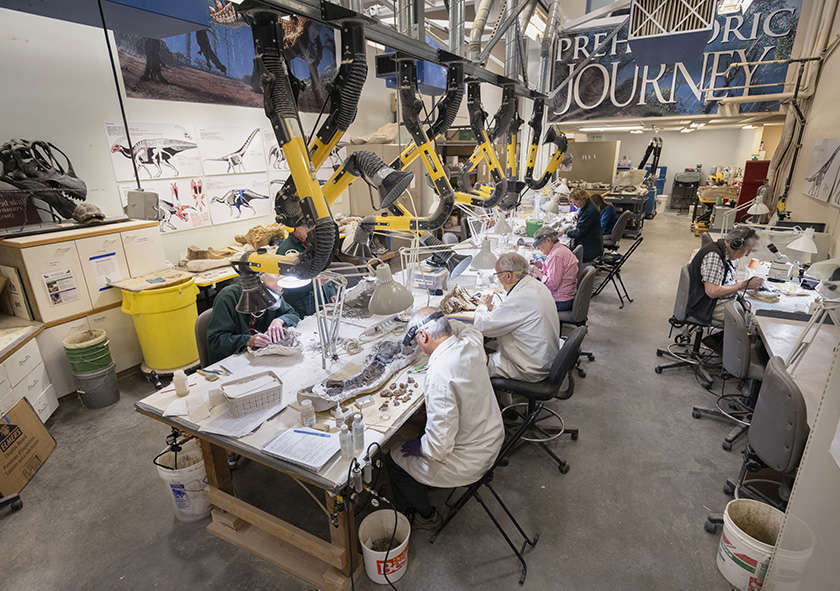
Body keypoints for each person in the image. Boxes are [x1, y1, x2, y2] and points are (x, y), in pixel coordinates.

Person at [389, 307, 504, 528]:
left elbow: (438, 448)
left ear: (423, 336)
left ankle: (426, 516)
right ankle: (426, 487)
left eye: (418, 342)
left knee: (393, 457)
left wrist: (420, 446)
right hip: (494, 437)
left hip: (470, 461)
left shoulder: (439, 372)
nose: (419, 348)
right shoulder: (471, 344)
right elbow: (470, 329)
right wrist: (443, 320)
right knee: (426, 428)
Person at [473, 252, 560, 382]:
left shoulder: (521, 298)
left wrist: (482, 306)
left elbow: (482, 327)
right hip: (544, 358)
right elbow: (517, 313)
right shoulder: (535, 286)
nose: (498, 280)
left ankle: (496, 400)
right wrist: (495, 310)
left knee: (473, 365)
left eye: (498, 275)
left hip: (529, 368)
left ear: (508, 276)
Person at [206, 274, 301, 365]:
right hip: (232, 362)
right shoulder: (229, 297)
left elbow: (293, 314)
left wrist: (280, 320)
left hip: (260, 359)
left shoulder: (273, 290)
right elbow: (215, 341)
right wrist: (248, 341)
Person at [687, 226, 762, 328]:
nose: (747, 254)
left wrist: (745, 287)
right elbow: (712, 291)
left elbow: (724, 281)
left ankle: (725, 342)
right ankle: (732, 343)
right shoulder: (714, 255)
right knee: (750, 321)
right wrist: (743, 285)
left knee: (749, 308)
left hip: (711, 301)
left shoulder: (724, 254)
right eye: (747, 250)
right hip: (704, 305)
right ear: (736, 245)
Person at [274, 224, 334, 317]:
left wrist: (331, 293)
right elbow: (287, 287)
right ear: (293, 229)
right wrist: (312, 283)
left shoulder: (313, 243)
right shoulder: (285, 251)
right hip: (305, 305)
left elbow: (323, 269)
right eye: (305, 227)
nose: (309, 229)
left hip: (323, 298)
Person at [532, 227, 578, 311]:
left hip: (561, 301)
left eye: (539, 245)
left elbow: (552, 285)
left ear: (548, 240)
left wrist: (537, 272)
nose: (539, 248)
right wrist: (541, 266)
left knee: (529, 303)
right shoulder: (560, 249)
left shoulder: (556, 256)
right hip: (566, 295)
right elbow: (557, 271)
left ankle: (546, 323)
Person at [566, 188, 604, 262]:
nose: (574, 205)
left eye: (575, 203)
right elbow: (583, 214)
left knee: (565, 254)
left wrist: (566, 232)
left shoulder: (589, 211)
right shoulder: (588, 204)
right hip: (593, 241)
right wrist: (579, 216)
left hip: (590, 248)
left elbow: (579, 233)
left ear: (582, 199)